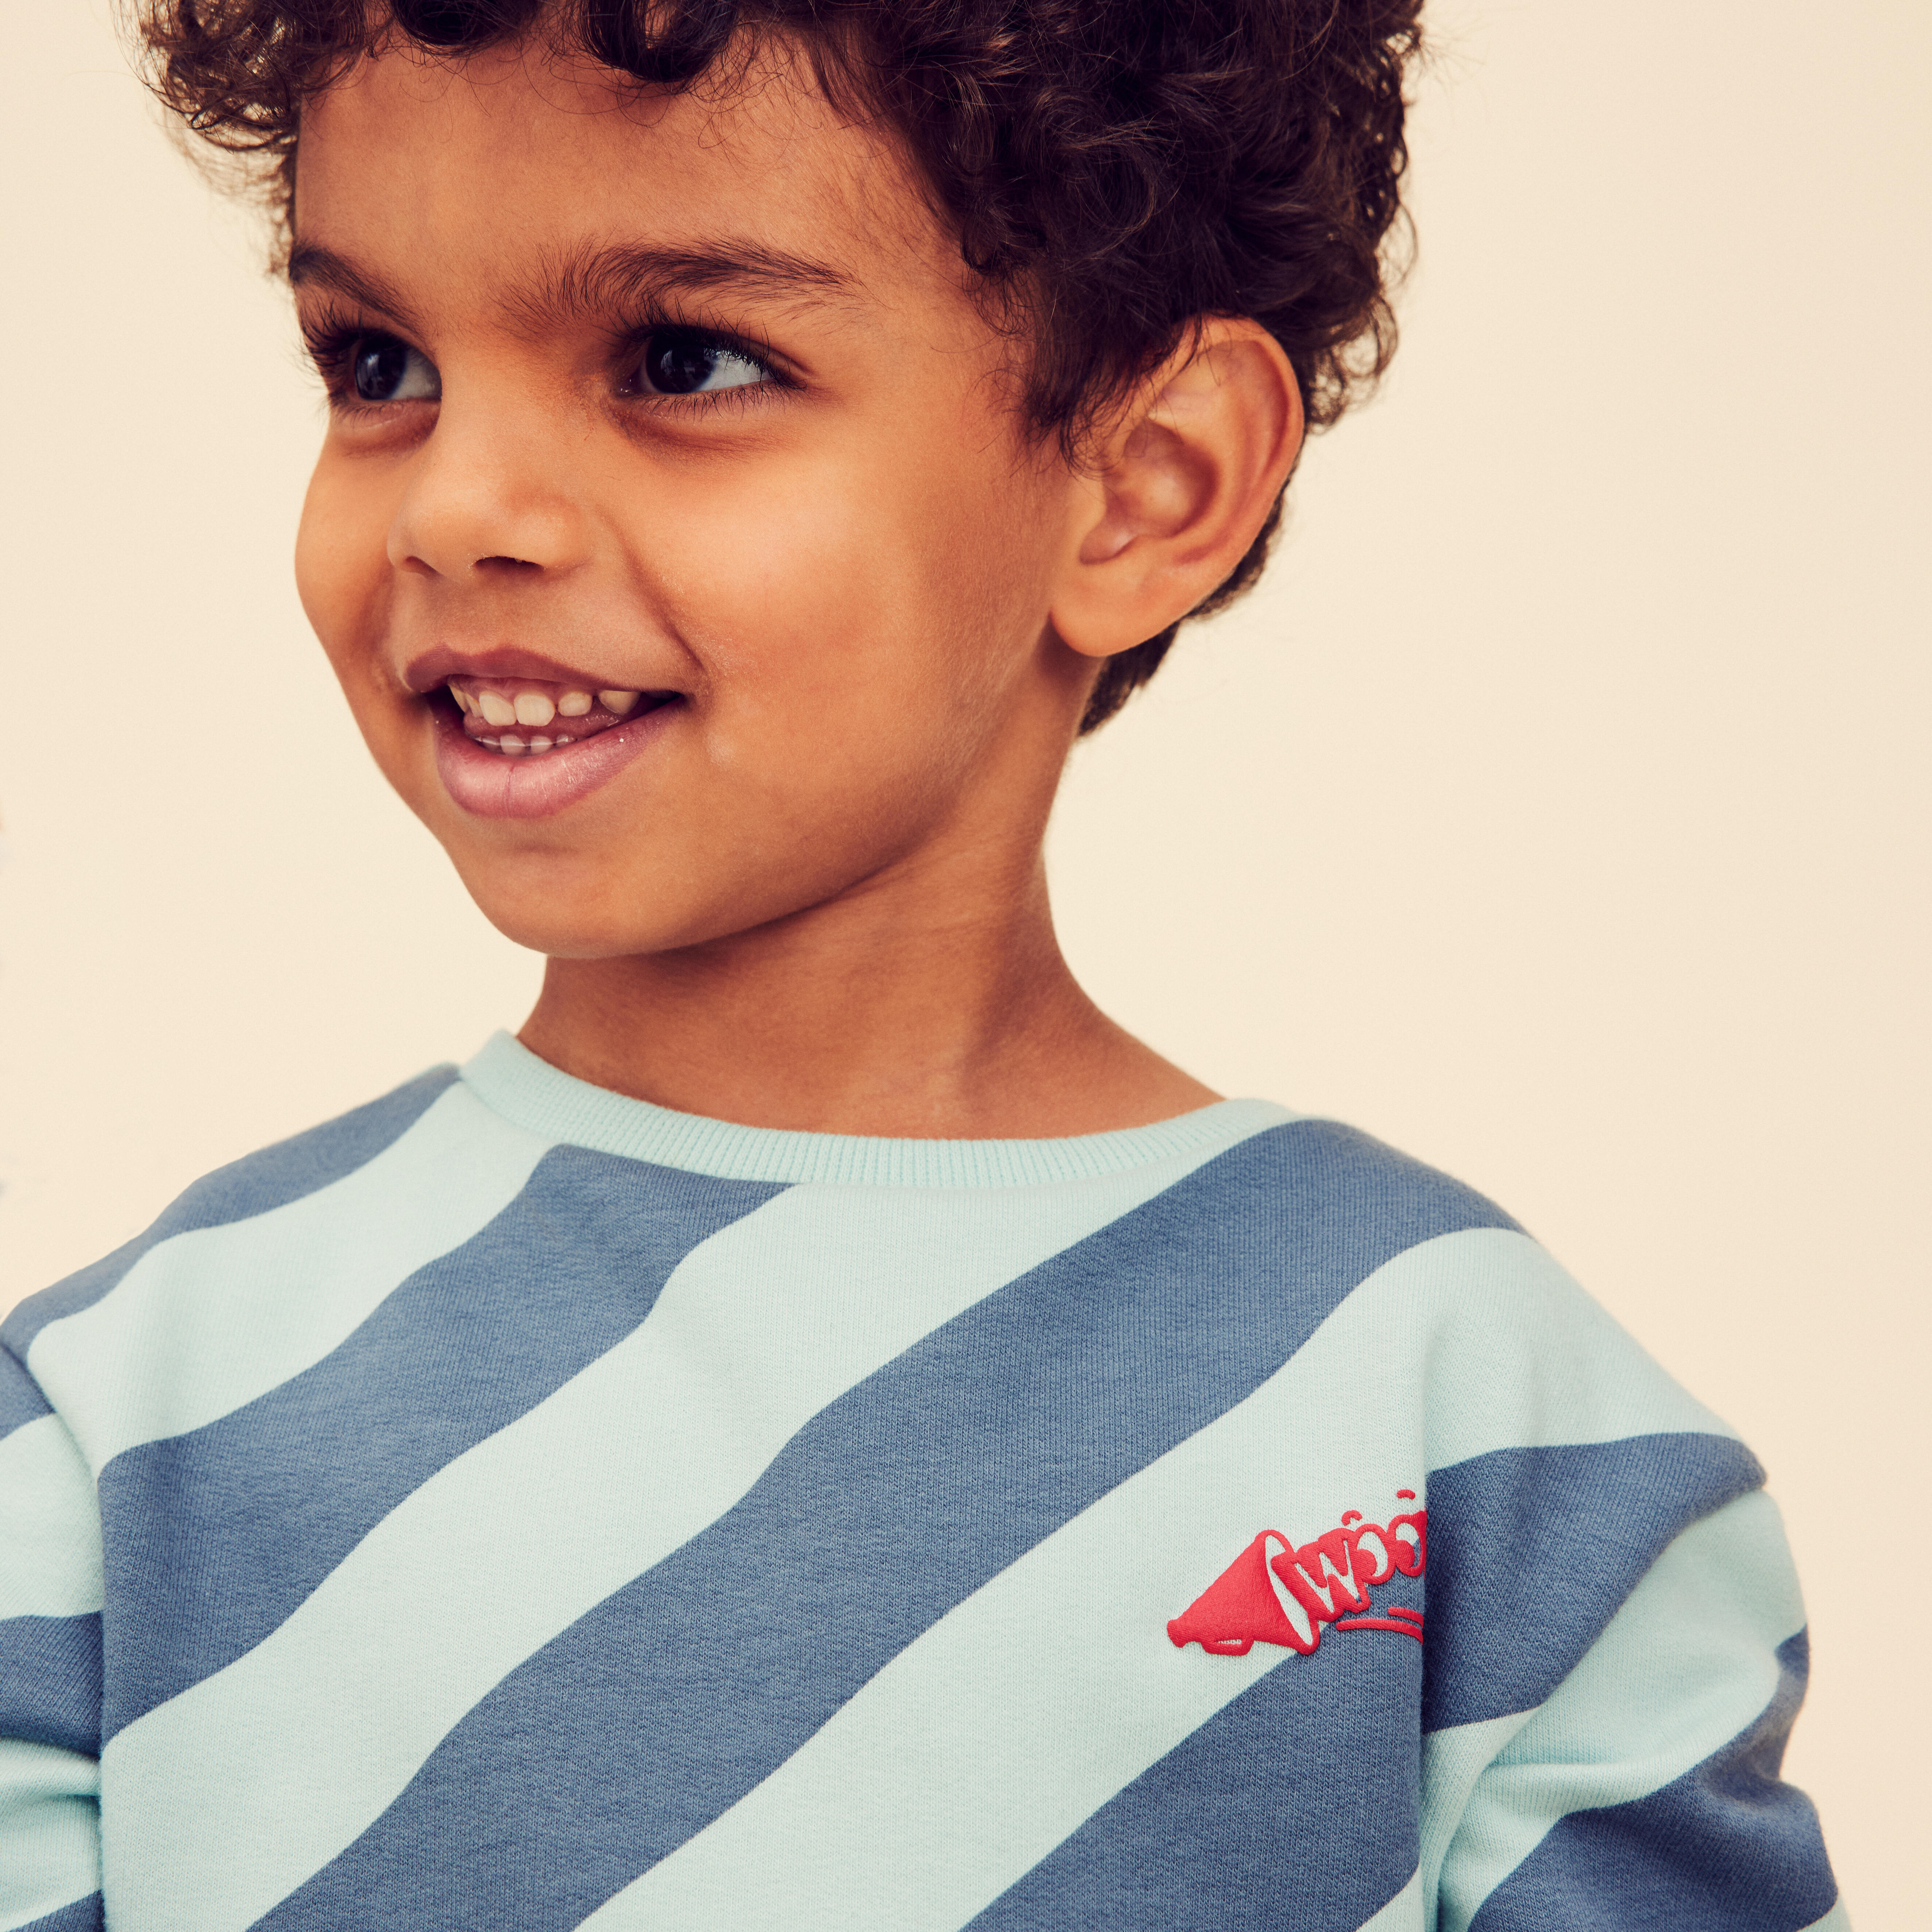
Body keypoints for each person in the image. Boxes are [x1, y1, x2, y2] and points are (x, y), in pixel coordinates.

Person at [0, 2, 1846, 1927]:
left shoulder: (1489, 1440)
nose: (458, 509)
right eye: (378, 362)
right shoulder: (112, 1440)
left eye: (684, 359)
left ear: (1148, 481)